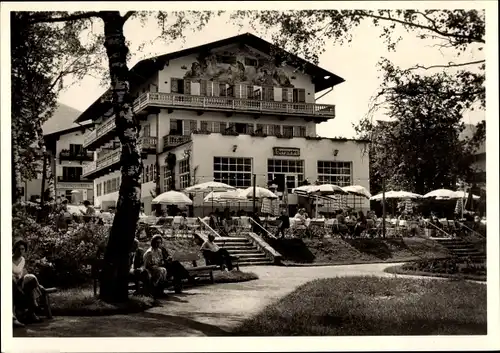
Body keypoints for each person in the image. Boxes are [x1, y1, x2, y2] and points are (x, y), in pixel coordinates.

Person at [12, 238, 45, 326]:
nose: (20, 251)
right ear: (14, 249)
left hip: (20, 283)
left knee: (31, 278)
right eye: (18, 249)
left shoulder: (22, 259)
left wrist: (22, 279)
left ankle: (31, 312)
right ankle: (30, 312)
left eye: (22, 249)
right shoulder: (9, 259)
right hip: (12, 284)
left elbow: (21, 273)